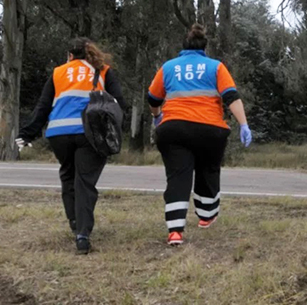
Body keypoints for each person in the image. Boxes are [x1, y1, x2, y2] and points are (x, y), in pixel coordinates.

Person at [16, 38, 126, 255]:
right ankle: (83, 235)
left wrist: (26, 134)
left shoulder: (58, 73)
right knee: (84, 181)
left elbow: (43, 106)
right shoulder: (103, 71)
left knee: (68, 175)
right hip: (90, 133)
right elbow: (119, 103)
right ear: (92, 53)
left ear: (70, 55)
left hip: (58, 133)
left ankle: (75, 220)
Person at [148, 24, 252, 246]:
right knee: (208, 170)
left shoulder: (168, 67)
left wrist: (157, 116)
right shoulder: (215, 67)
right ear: (205, 47)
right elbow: (231, 97)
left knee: (178, 176)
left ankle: (175, 231)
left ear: (183, 47)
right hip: (210, 129)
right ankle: (206, 216)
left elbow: (153, 98)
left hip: (173, 128)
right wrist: (243, 124)